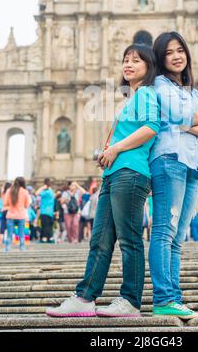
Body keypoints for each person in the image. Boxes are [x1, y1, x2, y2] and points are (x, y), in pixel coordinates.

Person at [46, 43, 160, 318]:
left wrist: (116, 149)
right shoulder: (131, 98)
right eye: (126, 60)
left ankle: (130, 300)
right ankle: (85, 297)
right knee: (100, 239)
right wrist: (109, 152)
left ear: (149, 67)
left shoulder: (145, 93)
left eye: (136, 60)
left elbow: (151, 128)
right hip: (113, 174)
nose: (129, 64)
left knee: (129, 239)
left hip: (131, 173)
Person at [149, 31, 198, 319]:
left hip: (192, 165)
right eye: (169, 52)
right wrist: (194, 123)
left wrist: (190, 123)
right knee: (164, 231)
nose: (177, 56)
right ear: (160, 58)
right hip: (168, 160)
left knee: (178, 237)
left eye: (180, 50)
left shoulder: (195, 92)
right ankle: (163, 297)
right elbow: (183, 117)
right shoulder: (158, 84)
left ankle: (174, 298)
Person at [3, 177, 31, 252]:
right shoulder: (25, 192)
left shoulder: (9, 190)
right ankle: (22, 248)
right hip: (21, 215)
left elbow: (5, 203)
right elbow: (27, 205)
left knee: (9, 235)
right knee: (21, 234)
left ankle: (7, 249)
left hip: (11, 215)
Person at [36, 179, 56, 243]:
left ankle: (44, 238)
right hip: (50, 212)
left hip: (44, 211)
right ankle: (50, 238)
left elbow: (36, 193)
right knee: (49, 226)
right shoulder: (52, 192)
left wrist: (42, 187)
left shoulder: (46, 192)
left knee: (44, 225)